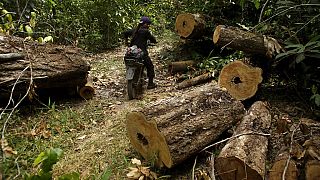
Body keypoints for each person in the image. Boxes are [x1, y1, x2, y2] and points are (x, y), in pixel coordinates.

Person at [123, 16, 157, 89]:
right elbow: (153, 40)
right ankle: (150, 83)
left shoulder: (134, 30)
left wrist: (126, 41)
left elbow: (125, 33)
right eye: (147, 24)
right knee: (150, 66)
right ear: (144, 24)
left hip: (132, 53)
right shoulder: (146, 32)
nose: (148, 26)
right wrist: (154, 41)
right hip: (142, 53)